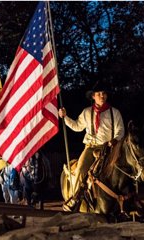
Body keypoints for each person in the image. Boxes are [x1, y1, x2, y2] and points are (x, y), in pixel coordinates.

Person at [58, 81, 125, 211]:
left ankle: (129, 199)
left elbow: (120, 130)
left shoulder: (114, 112)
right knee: (81, 169)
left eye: (104, 93)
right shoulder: (87, 112)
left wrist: (115, 140)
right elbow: (77, 126)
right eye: (99, 94)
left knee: (124, 168)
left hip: (109, 148)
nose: (102, 96)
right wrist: (65, 117)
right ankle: (75, 199)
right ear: (93, 96)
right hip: (91, 148)